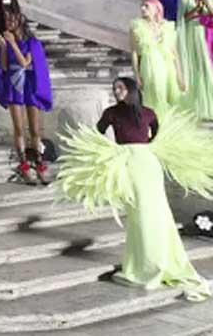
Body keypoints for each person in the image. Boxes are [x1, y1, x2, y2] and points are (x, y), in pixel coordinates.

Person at [57, 78, 213, 301]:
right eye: (114, 88)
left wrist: (147, 150)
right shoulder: (111, 113)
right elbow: (96, 133)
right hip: (129, 164)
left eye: (121, 87)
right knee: (140, 214)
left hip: (148, 164)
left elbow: (157, 136)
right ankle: (144, 262)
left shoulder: (148, 113)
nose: (116, 91)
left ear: (131, 90)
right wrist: (108, 156)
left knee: (159, 212)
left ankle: (162, 260)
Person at [0, 7, 54, 184]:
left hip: (29, 84)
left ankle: (40, 164)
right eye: (6, 21)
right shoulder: (7, 41)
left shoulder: (31, 42)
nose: (8, 24)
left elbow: (25, 62)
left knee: (35, 130)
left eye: (11, 20)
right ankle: (24, 165)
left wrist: (12, 44)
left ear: (20, 20)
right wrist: (4, 47)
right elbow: (4, 67)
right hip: (14, 84)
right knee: (19, 128)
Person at [131, 0, 184, 114]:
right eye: (142, 6)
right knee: (155, 94)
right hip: (149, 64)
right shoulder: (137, 26)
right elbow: (134, 52)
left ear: (156, 9)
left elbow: (174, 52)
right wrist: (137, 76)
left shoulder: (166, 26)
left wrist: (179, 74)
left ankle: (167, 124)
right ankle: (156, 123)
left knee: (170, 97)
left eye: (146, 6)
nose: (142, 8)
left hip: (167, 65)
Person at [175, 0, 213, 120]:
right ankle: (197, 106)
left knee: (207, 67)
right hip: (192, 34)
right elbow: (183, 18)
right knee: (195, 67)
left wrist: (206, 2)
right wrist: (197, 8)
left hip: (206, 34)